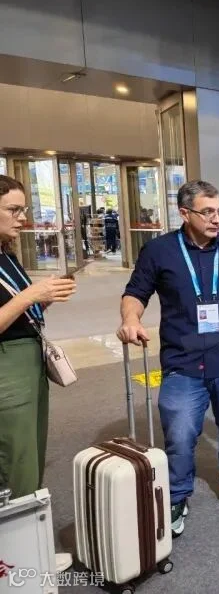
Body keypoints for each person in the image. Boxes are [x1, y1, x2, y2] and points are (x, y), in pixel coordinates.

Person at [117, 179, 219, 537]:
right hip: (182, 362)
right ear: (184, 213)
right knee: (180, 435)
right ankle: (177, 496)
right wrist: (130, 319)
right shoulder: (159, 251)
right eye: (207, 212)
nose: (216, 219)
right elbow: (135, 292)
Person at [0, 175, 77, 570]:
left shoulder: (6, 253)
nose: (22, 218)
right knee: (14, 459)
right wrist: (32, 295)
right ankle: (18, 562)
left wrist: (42, 300)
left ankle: (29, 551)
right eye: (13, 209)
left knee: (30, 454)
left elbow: (15, 309)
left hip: (27, 360)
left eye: (23, 209)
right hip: (7, 369)